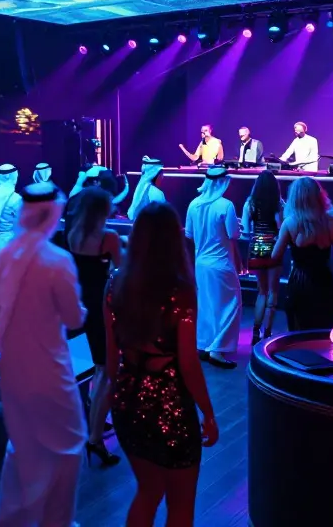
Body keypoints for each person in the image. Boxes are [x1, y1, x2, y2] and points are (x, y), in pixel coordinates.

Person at [107, 201, 218, 527]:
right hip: (168, 406)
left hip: (127, 400)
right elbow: (187, 362)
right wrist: (208, 413)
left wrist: (116, 398)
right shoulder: (181, 291)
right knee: (181, 505)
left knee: (148, 490)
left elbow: (111, 355)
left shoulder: (115, 283)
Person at [0, 182, 87, 527]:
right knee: (69, 444)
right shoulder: (57, 261)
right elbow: (74, 318)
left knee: (23, 445)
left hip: (12, 369)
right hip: (49, 370)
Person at [60, 186, 123, 467]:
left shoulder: (70, 234)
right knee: (107, 371)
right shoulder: (107, 237)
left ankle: (90, 422)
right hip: (100, 308)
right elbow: (124, 269)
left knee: (83, 370)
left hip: (75, 305)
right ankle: (96, 438)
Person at [270, 177, 333, 330]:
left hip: (299, 284)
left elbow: (275, 256)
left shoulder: (290, 223)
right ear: (319, 196)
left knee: (298, 334)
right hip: (324, 283)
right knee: (322, 333)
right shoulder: (332, 222)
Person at [185, 166, 241, 369]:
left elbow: (189, 234)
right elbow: (234, 234)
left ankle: (204, 345)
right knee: (229, 306)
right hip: (221, 264)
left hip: (201, 264)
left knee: (206, 305)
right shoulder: (226, 206)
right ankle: (217, 350)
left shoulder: (193, 204)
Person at [243, 172, 284, 342]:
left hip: (257, 247)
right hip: (274, 246)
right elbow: (282, 226)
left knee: (262, 291)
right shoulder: (279, 204)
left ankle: (255, 331)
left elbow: (245, 230)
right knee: (273, 292)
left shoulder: (250, 203)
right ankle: (267, 332)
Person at [128, 156, 167, 222]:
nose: (163, 177)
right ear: (155, 174)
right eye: (161, 174)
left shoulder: (141, 189)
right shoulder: (156, 193)